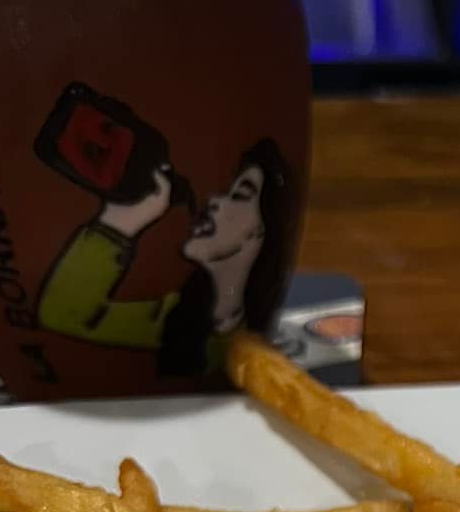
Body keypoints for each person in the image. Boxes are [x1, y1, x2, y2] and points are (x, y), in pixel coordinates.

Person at [36, 139, 292, 376]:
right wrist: (122, 220)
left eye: (239, 195)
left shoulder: (254, 331)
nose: (214, 201)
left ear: (262, 229)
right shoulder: (178, 317)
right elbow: (66, 313)